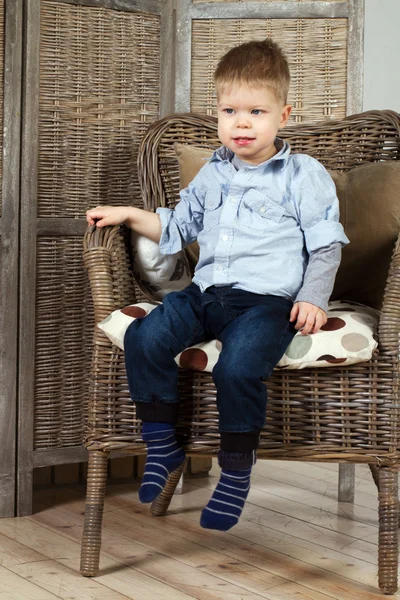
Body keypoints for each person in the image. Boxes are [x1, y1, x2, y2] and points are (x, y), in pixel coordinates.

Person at [86, 38, 349, 532]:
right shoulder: (213, 172)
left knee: (239, 367)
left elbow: (327, 245)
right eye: (231, 110)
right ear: (218, 113)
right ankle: (163, 444)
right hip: (207, 296)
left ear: (284, 115)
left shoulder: (302, 175)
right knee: (146, 337)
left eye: (256, 111)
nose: (242, 122)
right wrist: (126, 215)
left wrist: (314, 298)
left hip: (266, 304)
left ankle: (235, 472)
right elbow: (178, 228)